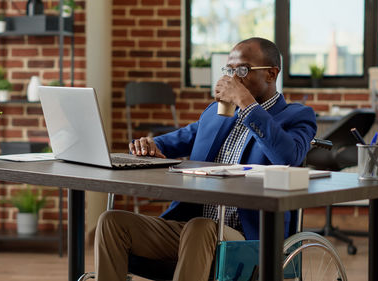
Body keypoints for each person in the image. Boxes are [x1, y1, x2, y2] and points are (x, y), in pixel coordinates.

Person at [94, 37, 317, 281]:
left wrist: (246, 103)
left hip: (249, 238)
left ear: (271, 74)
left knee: (201, 227)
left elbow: (287, 156)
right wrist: (151, 144)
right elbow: (182, 138)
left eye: (242, 70)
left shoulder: (297, 116)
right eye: (229, 70)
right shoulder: (215, 113)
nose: (233, 78)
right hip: (191, 228)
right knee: (112, 222)